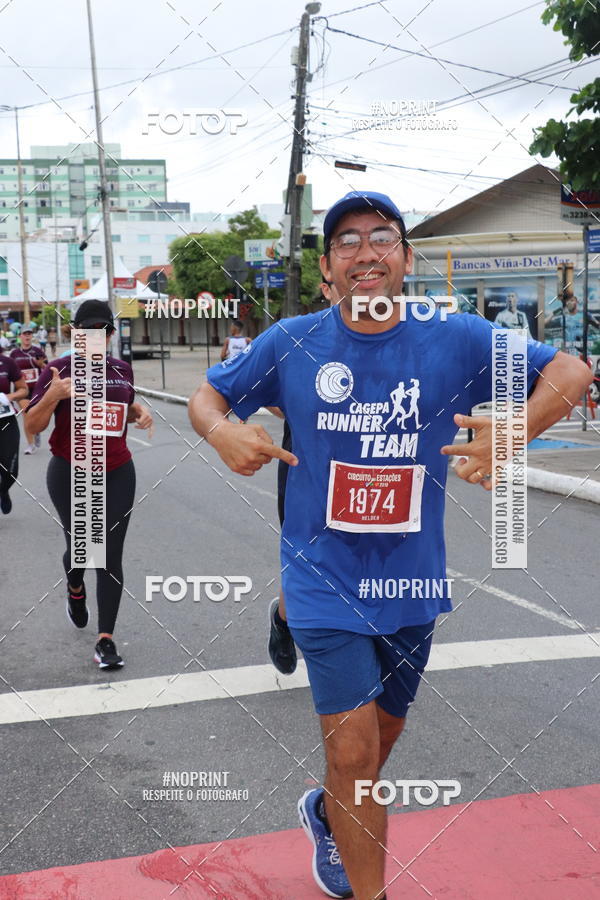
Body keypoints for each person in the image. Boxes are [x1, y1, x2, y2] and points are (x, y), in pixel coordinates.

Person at [189, 190, 591, 900]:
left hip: (412, 584)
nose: (365, 251)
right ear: (327, 267)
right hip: (320, 577)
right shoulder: (292, 341)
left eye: (382, 237)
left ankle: (326, 812)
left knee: (375, 748)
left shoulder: (455, 336)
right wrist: (222, 432)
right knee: (352, 755)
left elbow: (572, 372)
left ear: (405, 258)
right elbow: (207, 398)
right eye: (346, 241)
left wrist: (515, 428)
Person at [26, 299, 153, 669]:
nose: (96, 337)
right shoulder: (58, 370)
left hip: (117, 470)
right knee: (82, 550)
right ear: (75, 334)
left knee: (109, 554)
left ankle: (105, 640)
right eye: (87, 331)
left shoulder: (122, 370)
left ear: (110, 334)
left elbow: (122, 408)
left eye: (102, 330)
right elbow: (31, 426)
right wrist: (53, 395)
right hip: (70, 470)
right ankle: (75, 587)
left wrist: (140, 412)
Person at [268, 281, 338, 676]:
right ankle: (284, 620)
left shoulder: (386, 344)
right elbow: (264, 391)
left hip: (364, 476)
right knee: (305, 558)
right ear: (327, 291)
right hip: (303, 468)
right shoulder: (298, 342)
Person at [10, 323, 47, 454]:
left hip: (37, 389)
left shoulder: (38, 351)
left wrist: (41, 364)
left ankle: (36, 430)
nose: (27, 336)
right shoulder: (14, 353)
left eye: (29, 334)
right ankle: (31, 444)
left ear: (32, 336)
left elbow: (47, 369)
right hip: (22, 390)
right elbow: (10, 372)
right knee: (26, 414)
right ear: (20, 336)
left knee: (35, 415)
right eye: (24, 334)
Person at [0, 353, 28, 513]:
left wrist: (8, 396)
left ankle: (3, 491)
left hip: (6, 421)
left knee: (11, 471)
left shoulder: (6, 362)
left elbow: (23, 390)